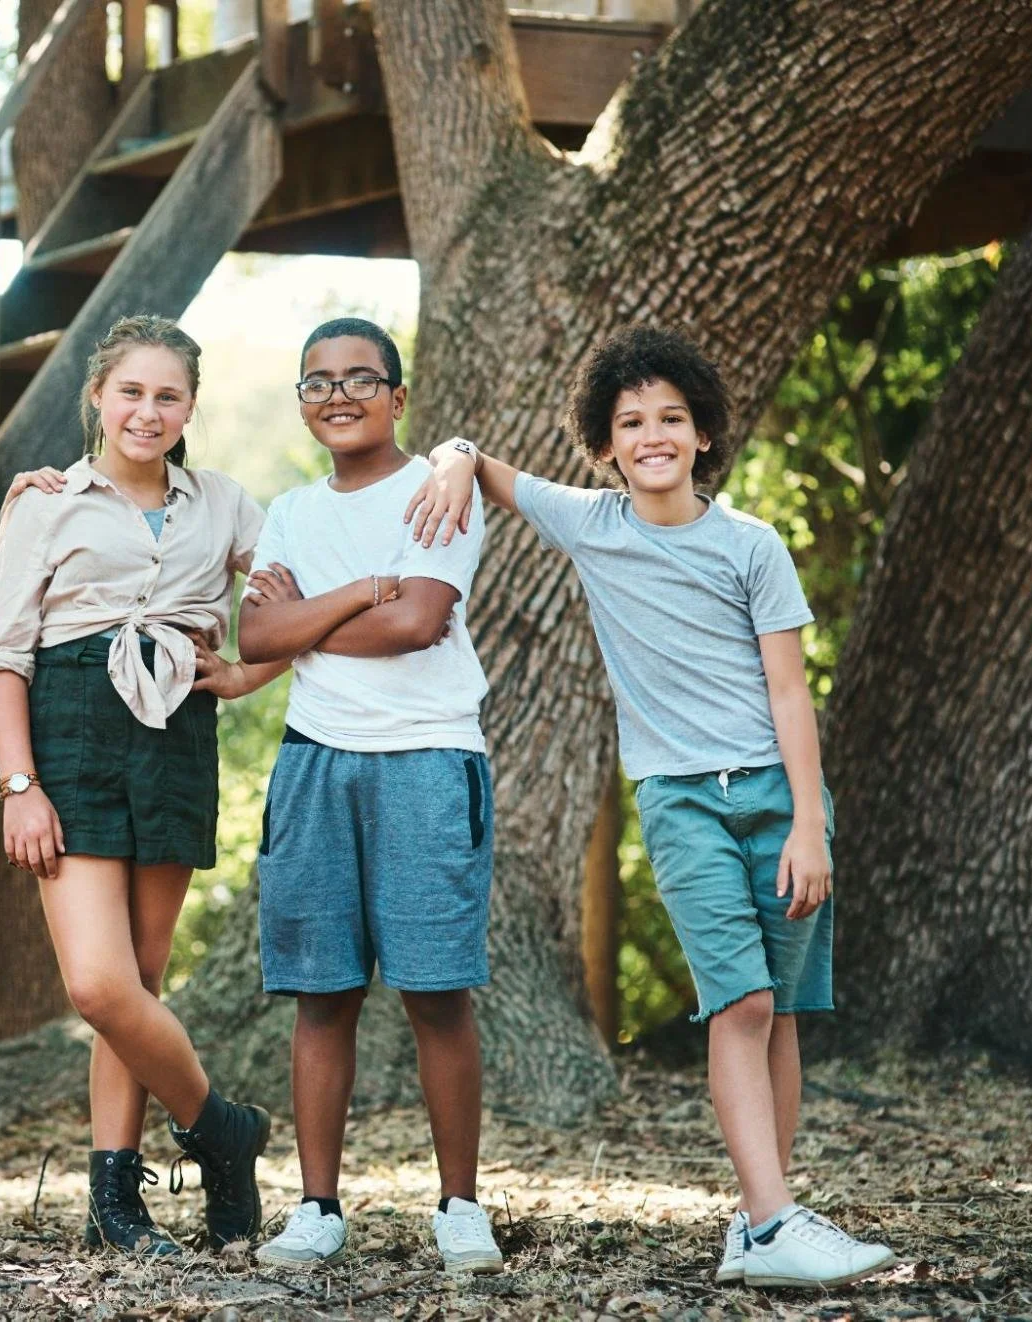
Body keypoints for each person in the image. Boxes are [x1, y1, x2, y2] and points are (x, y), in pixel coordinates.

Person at [406, 327, 896, 1290]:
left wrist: (808, 822)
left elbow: (790, 694)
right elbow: (487, 469)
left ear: (704, 433)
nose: (652, 435)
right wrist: (450, 457)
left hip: (777, 796)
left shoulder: (751, 547)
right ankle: (771, 1223)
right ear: (604, 444)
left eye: (671, 417)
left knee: (781, 1012)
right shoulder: (591, 521)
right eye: (630, 423)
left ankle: (764, 1219)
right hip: (680, 802)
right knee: (741, 1002)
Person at [0, 315, 285, 1255]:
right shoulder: (44, 502)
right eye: (130, 392)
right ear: (97, 398)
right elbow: (4, 656)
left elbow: (295, 600)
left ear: (191, 406)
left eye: (167, 396)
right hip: (67, 732)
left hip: (174, 732)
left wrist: (245, 672)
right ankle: (222, 1133)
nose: (147, 412)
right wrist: (18, 783)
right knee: (102, 988)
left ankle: (115, 1198)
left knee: (143, 978)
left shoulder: (225, 502)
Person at [233, 317, 504, 1275]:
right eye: (316, 383)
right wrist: (354, 595)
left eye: (359, 378)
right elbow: (254, 639)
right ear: (301, 401)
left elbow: (420, 621)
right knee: (322, 995)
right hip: (316, 761)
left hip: (426, 762)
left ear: (397, 394)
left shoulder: (440, 491)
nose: (337, 395)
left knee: (435, 993)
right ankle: (316, 1208)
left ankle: (460, 1206)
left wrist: (301, 617)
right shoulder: (292, 510)